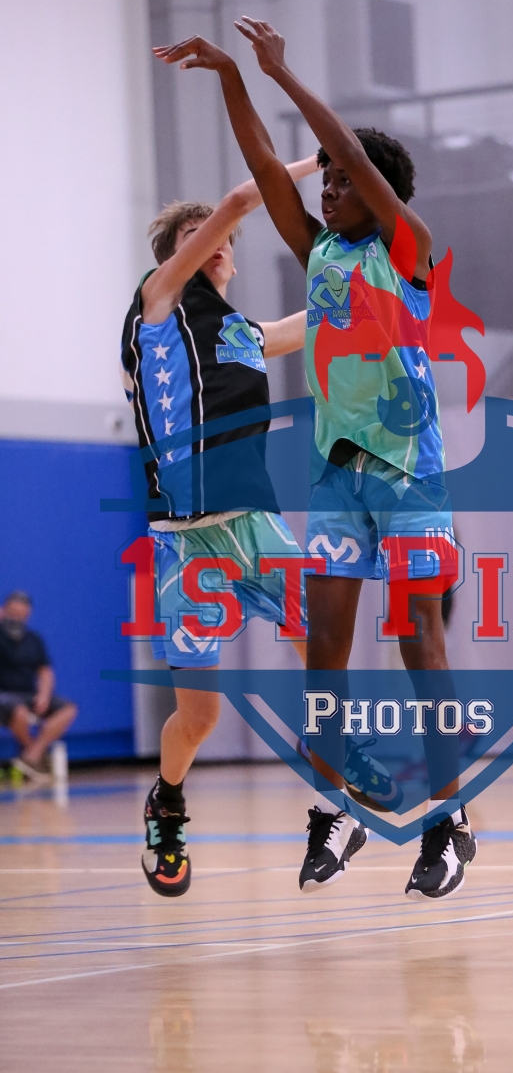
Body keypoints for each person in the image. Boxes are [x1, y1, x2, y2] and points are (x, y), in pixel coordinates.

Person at [154, 23, 476, 901]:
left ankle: (449, 821)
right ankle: (335, 812)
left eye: (340, 181)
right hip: (336, 478)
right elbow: (266, 168)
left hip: (408, 475)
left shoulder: (408, 247)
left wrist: (285, 73)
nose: (328, 189)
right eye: (324, 180)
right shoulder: (323, 253)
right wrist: (232, 76)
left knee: (417, 642)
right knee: (323, 649)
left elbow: (354, 156)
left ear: (379, 193)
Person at [122, 159, 318, 897]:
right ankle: (167, 802)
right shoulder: (158, 304)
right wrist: (322, 161)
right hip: (183, 538)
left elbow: (315, 325)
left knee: (322, 634)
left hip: (253, 523)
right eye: (204, 238)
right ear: (182, 255)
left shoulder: (240, 333)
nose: (220, 245)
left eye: (224, 241)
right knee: (200, 716)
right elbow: (240, 198)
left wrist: (381, 287)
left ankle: (337, 749)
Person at [0, 591, 78, 780]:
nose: (16, 619)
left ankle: (32, 755)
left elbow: (45, 672)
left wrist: (43, 695)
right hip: (4, 695)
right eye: (13, 613)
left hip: (28, 694)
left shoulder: (33, 639)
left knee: (68, 709)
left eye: (22, 614)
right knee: (18, 711)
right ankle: (35, 756)